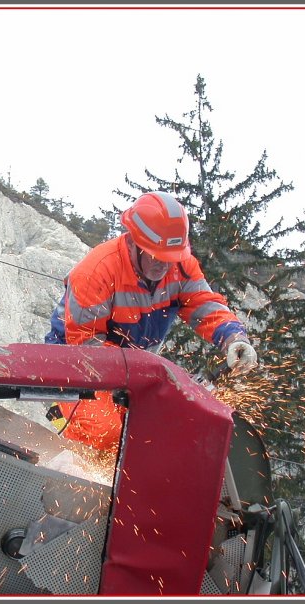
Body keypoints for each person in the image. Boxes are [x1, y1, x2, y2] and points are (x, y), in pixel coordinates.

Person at [44, 191, 258, 451]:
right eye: (155, 257)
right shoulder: (96, 271)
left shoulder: (181, 265)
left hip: (134, 365)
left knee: (155, 432)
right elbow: (88, 347)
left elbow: (205, 304)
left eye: (170, 259)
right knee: (106, 431)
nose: (163, 267)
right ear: (134, 242)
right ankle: (77, 463)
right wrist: (150, 374)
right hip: (77, 364)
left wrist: (234, 337)